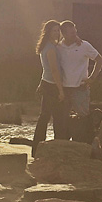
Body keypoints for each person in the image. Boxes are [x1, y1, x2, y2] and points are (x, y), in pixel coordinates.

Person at [57, 20, 102, 141]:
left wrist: (92, 78)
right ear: (64, 34)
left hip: (80, 88)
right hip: (63, 89)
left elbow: (99, 60)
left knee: (84, 117)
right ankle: (62, 143)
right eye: (72, 33)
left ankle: (86, 144)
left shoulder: (84, 45)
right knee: (62, 117)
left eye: (75, 32)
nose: (75, 35)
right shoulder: (58, 47)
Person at [31, 19, 66, 156]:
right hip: (52, 86)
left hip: (47, 83)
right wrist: (61, 90)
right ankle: (42, 148)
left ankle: (40, 148)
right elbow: (54, 70)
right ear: (48, 32)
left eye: (58, 30)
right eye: (54, 30)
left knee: (48, 117)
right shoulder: (50, 48)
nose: (57, 33)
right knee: (52, 117)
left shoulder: (51, 45)